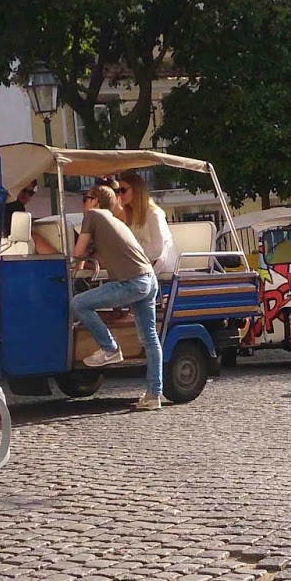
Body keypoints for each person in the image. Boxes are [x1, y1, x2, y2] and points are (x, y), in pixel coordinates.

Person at [71, 184, 165, 410]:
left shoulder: (93, 215)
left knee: (79, 303)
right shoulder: (114, 221)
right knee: (150, 339)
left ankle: (110, 348)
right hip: (149, 279)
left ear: (95, 201)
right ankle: (154, 395)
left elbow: (77, 252)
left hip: (133, 282)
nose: (83, 204)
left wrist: (86, 250)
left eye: (86, 198)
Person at [114, 172, 178, 276]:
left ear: (137, 190)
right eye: (118, 191)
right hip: (143, 267)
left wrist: (132, 252)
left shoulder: (154, 214)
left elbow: (157, 250)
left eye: (123, 190)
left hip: (161, 268)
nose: (120, 195)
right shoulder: (130, 215)